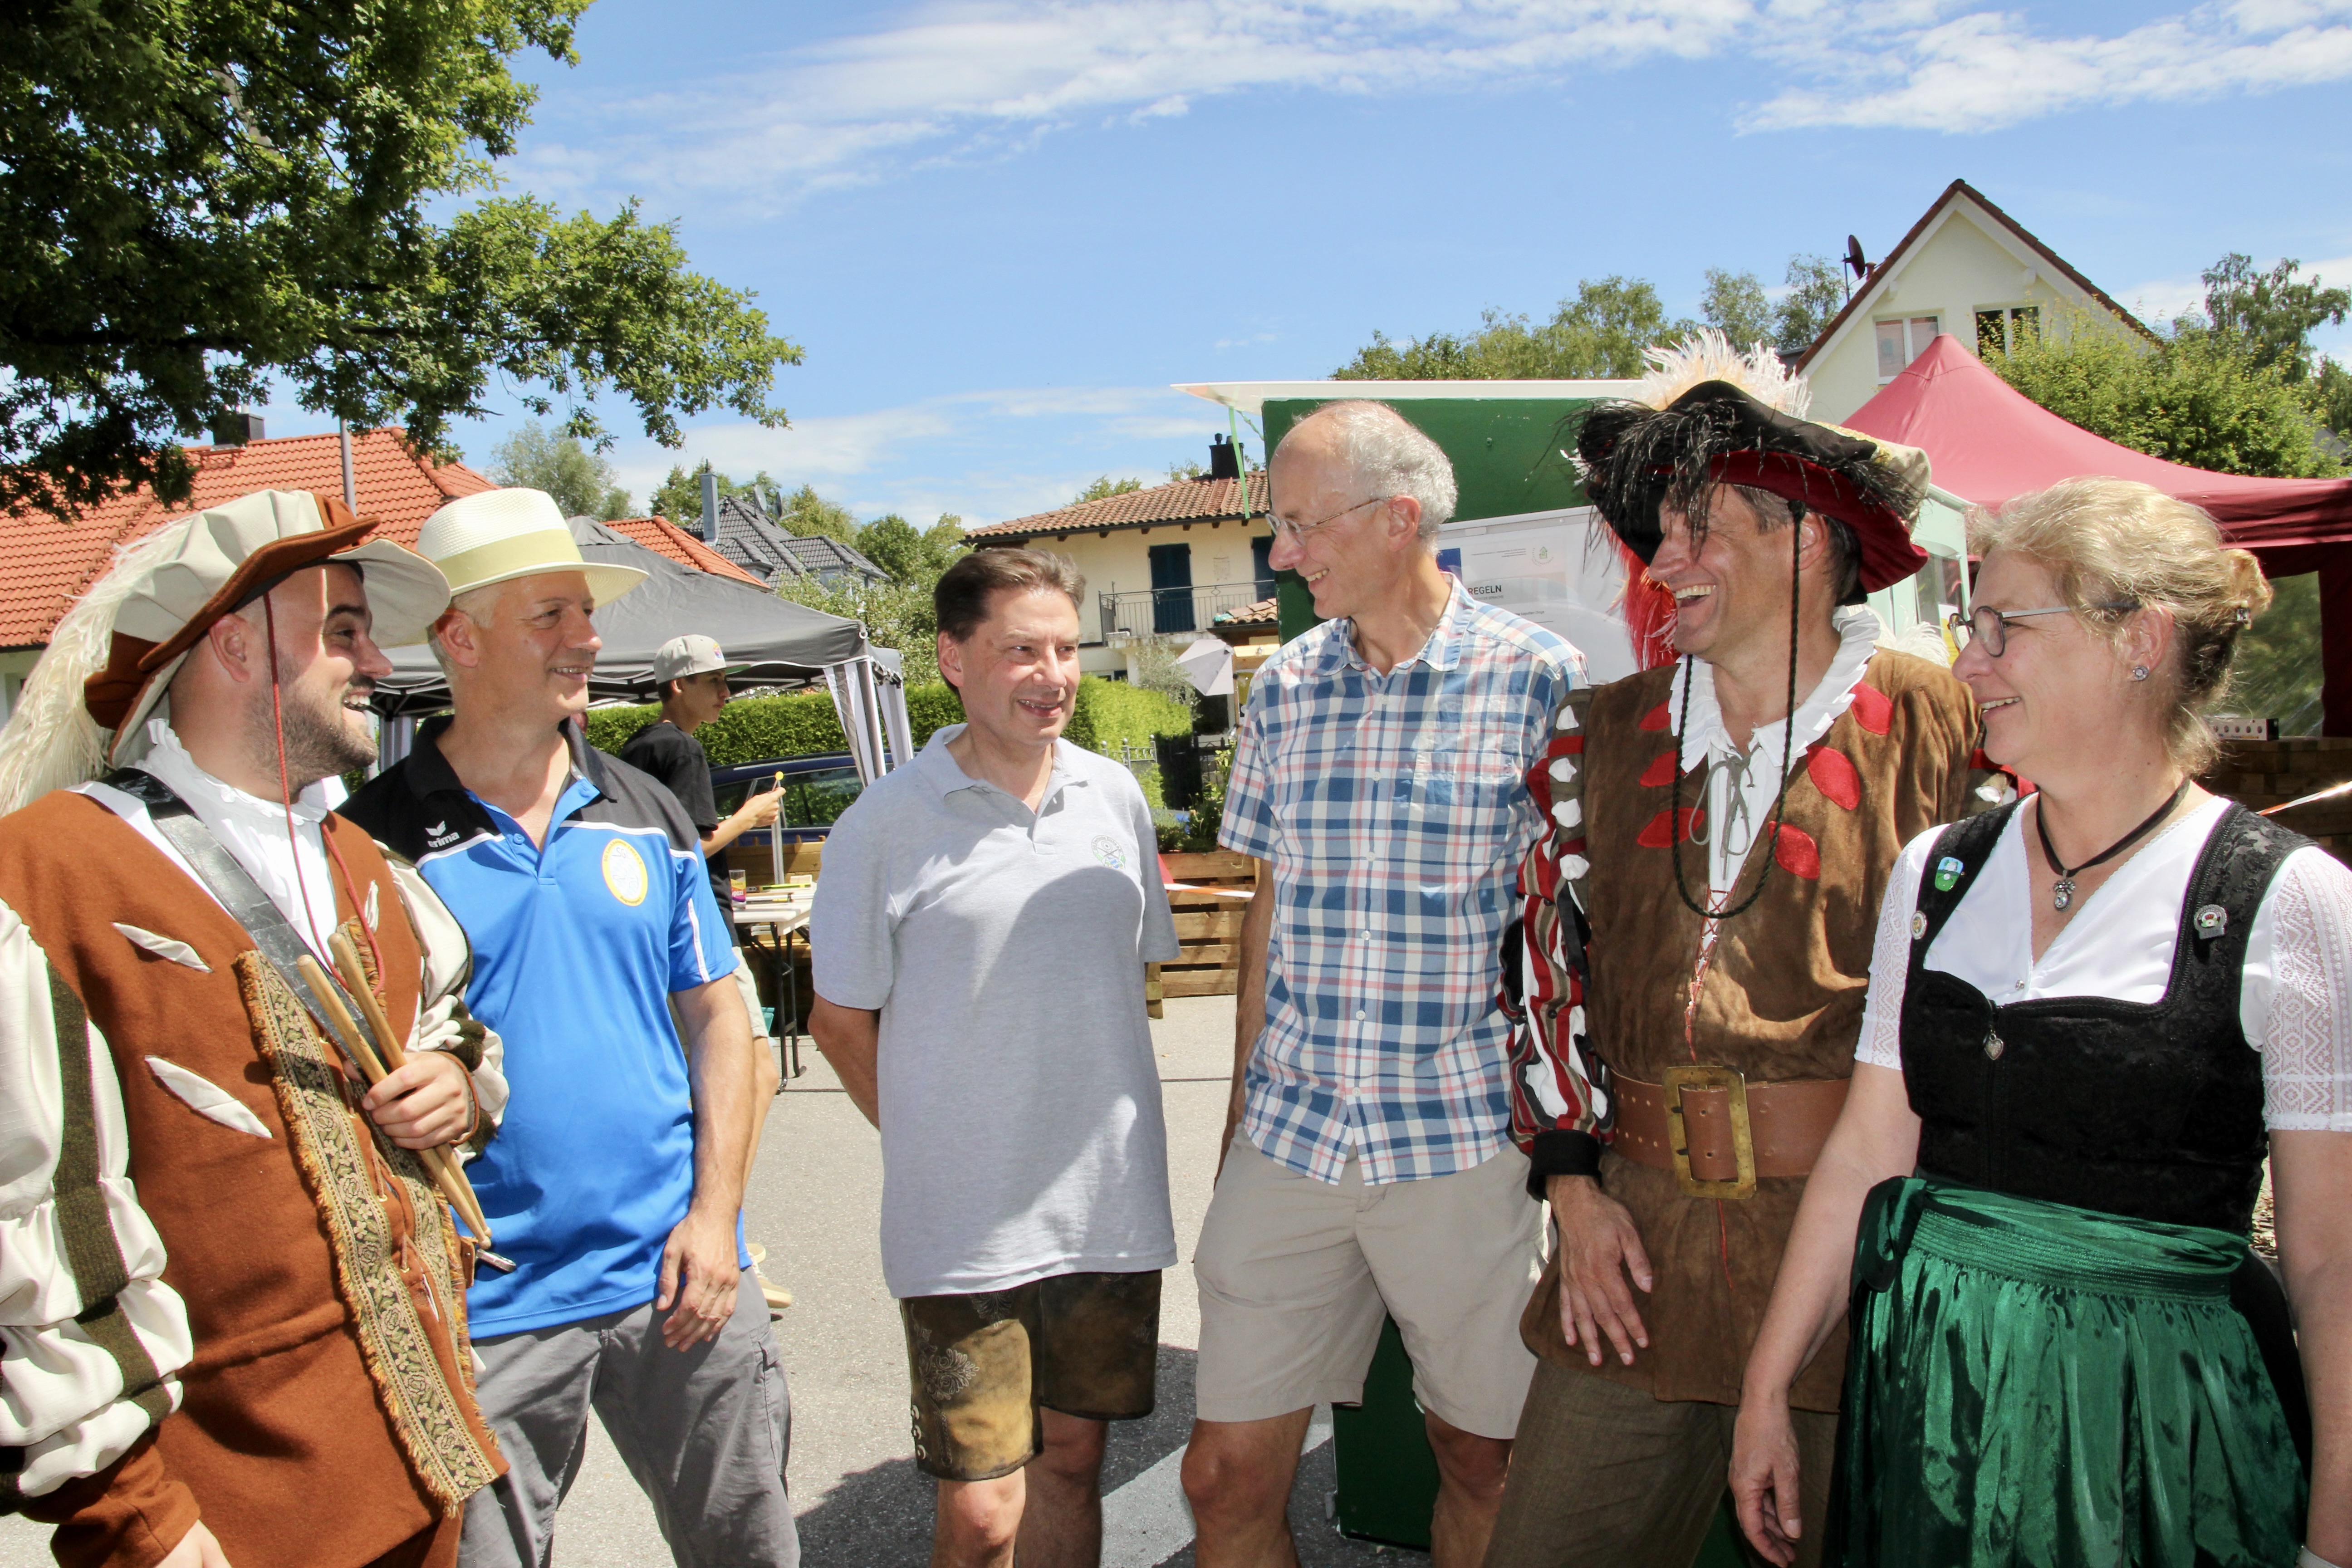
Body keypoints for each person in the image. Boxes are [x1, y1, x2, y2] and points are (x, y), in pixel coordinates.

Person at [1730, 476, 2352, 1568]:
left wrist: (2335, 1541)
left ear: (2140, 639)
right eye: (1974, 627)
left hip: (2154, 1433)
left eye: (2005, 627)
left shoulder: (2284, 900)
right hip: (1938, 1402)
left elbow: (2332, 1260)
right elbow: (1871, 1150)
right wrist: (1769, 1389)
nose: (1969, 663)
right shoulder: (1939, 870)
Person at [1484, 340, 1987, 1568]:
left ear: (1808, 537)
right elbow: (1545, 962)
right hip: (1635, 1249)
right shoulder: (1598, 732)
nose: (1665, 565)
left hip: (1859, 1257)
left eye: (1699, 529)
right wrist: (1574, 1186)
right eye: (1658, 534)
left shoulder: (1945, 725)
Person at [0, 489, 508, 1568]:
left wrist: (458, 1086)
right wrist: (144, 1531)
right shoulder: (46, 880)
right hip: (229, 1526)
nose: (376, 664)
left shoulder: (364, 865)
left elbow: (460, 1032)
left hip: (432, 1482)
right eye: (342, 632)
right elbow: (29, 1243)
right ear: (232, 643)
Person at [341, 488, 795, 1568]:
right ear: (459, 636)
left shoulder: (648, 807)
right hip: (485, 1301)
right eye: (552, 615)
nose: (588, 638)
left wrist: (715, 1217)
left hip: (682, 1277)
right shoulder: (368, 845)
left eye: (585, 614)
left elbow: (723, 1024)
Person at [1178, 401, 1582, 1568]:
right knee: (1221, 1475)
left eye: (1302, 525)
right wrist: (1239, 1114)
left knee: (1484, 1463)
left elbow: (1568, 935)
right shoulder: (1287, 689)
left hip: (1460, 1141)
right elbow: (1269, 913)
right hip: (1293, 1133)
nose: (1282, 555)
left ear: (1398, 517)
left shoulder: (1537, 679)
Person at [808, 548, 1180, 1568]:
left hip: (1107, 1208)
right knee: (979, 1514)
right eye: (1021, 650)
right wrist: (941, 1142)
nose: (1052, 673)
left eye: (1064, 649)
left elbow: (1129, 981)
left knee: (1072, 1465)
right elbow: (837, 1025)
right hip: (962, 1228)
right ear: (953, 659)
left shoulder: (1114, 798)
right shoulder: (882, 824)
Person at [617, 633, 790, 1312]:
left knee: (720, 1081)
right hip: (699, 931)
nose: (725, 694)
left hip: (665, 933)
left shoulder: (635, 750)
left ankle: (724, 1233)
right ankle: (728, 1237)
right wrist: (750, 815)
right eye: (714, 682)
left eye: (728, 682)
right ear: (677, 687)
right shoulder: (678, 749)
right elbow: (692, 847)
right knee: (752, 1077)